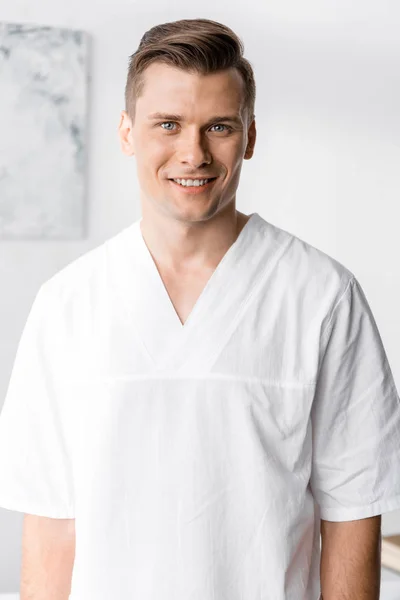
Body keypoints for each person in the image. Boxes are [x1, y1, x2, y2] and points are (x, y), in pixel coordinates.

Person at [0, 17, 399, 600]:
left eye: (219, 127)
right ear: (127, 132)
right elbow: (52, 529)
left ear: (251, 137)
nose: (194, 153)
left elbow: (353, 516)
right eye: (168, 124)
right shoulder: (67, 305)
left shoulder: (322, 298)